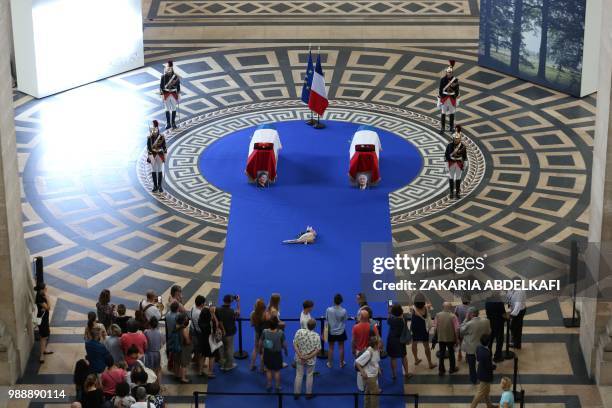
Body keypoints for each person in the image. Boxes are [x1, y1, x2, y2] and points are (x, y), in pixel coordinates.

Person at [460, 306, 491, 384]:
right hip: (483, 347)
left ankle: (474, 380)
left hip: (471, 348)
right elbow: (489, 332)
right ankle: (483, 377)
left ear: (470, 314)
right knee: (483, 364)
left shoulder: (469, 323)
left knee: (472, 366)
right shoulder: (486, 321)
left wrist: (465, 319)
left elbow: (461, 331)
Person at [293, 319, 321, 400]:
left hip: (299, 358)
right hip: (310, 360)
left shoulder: (299, 332)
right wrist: (307, 357)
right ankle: (308, 394)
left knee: (299, 375)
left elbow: (295, 344)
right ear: (314, 326)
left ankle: (296, 394)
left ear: (306, 325)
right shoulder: (316, 336)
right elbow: (318, 350)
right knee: (309, 375)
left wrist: (301, 355)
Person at [262, 317, 288, 392]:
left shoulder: (265, 331)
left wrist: (261, 349)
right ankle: (277, 386)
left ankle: (269, 385)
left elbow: (261, 342)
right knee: (277, 371)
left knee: (268, 370)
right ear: (277, 324)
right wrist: (286, 351)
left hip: (267, 353)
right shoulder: (280, 333)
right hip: (277, 354)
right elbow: (284, 344)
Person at [470, 334, 496, 408]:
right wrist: (494, 366)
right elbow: (489, 367)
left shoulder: (479, 347)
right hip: (485, 376)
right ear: (488, 342)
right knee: (480, 393)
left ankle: (489, 405)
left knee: (486, 392)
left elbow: (478, 358)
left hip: (481, 371)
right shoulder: (487, 353)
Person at [355, 336, 382, 408]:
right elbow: (357, 362)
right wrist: (362, 372)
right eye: (379, 343)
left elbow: (375, 361)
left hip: (374, 375)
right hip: (370, 377)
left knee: (368, 393)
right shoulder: (368, 352)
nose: (381, 343)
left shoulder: (377, 350)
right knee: (375, 395)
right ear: (375, 344)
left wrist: (378, 369)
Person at [410, 296, 436, 369]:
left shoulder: (413, 308)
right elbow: (430, 303)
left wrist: (411, 298)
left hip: (415, 328)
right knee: (426, 345)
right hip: (424, 328)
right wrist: (425, 297)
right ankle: (430, 363)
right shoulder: (426, 307)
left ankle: (416, 359)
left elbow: (410, 305)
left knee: (414, 343)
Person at [434, 302, 459, 376]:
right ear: (450, 308)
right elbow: (456, 329)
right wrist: (457, 339)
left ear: (443, 307)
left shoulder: (437, 315)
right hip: (450, 338)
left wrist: (437, 336)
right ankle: (452, 368)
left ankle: (441, 370)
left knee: (441, 353)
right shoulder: (453, 316)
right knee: (451, 353)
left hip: (441, 338)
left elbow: (435, 327)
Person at [216, 294, 240, 371]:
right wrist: (238, 303)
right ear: (231, 301)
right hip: (229, 333)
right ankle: (229, 365)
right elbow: (238, 315)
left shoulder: (218, 309)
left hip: (220, 333)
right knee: (229, 349)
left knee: (221, 348)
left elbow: (219, 321)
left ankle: (222, 364)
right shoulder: (231, 311)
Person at [387, 303, 410, 380]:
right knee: (403, 356)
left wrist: (389, 312)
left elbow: (388, 319)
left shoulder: (391, 320)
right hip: (400, 340)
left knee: (393, 358)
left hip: (391, 340)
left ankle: (394, 374)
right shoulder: (403, 319)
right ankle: (406, 373)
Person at [437, 59, 460, 134]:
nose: (449, 74)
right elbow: (440, 89)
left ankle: (451, 127)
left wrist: (454, 94)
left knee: (452, 113)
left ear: (452, 73)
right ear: (446, 72)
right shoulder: (443, 80)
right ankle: (442, 128)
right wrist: (442, 96)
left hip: (452, 98)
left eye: (450, 72)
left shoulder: (455, 80)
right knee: (443, 113)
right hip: (445, 98)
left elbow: (457, 90)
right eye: (448, 72)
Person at [444, 126, 467, 199]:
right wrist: (446, 165)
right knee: (451, 177)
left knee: (458, 178)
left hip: (459, 163)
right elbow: (446, 155)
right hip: (451, 163)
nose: (456, 140)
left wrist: (465, 164)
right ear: (453, 139)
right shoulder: (449, 146)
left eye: (458, 139)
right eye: (455, 139)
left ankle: (457, 192)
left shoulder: (462, 146)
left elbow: (464, 156)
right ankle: (451, 192)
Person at [325, 293, 348, 368]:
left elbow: (326, 320)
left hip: (331, 332)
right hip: (341, 332)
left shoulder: (328, 310)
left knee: (331, 348)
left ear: (334, 301)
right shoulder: (344, 311)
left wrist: (325, 333)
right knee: (341, 347)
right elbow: (345, 320)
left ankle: (329, 363)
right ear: (341, 301)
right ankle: (341, 363)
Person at [198, 303, 220, 378]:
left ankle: (200, 371)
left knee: (203, 355)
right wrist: (213, 313)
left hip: (203, 338)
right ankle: (210, 372)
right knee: (212, 356)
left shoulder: (200, 321)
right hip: (211, 338)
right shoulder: (211, 323)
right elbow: (217, 324)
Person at [486, 294, 508, 362]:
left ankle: (488, 354)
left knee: (490, 339)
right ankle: (497, 356)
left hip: (490, 322)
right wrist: (506, 319)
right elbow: (503, 313)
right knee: (499, 340)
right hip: (499, 323)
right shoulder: (499, 302)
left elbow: (487, 312)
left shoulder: (488, 300)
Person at [147, 121, 167, 193]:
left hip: (160, 154)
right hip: (153, 155)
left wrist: (165, 155)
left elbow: (164, 147)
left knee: (159, 170)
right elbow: (148, 148)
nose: (154, 132)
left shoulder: (161, 137)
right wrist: (150, 156)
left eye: (155, 129)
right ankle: (155, 186)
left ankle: (160, 186)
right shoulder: (149, 138)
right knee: (154, 170)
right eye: (153, 130)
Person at [159, 60, 181, 130]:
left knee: (174, 108)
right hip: (166, 94)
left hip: (174, 94)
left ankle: (173, 123)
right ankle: (168, 123)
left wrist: (179, 94)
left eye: (170, 68)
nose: (169, 69)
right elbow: (161, 87)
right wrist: (162, 95)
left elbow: (178, 86)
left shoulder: (175, 77)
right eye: (168, 68)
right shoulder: (163, 77)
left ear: (172, 68)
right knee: (167, 109)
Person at [35, 283, 53, 364]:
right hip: (42, 320)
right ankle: (42, 355)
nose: (46, 289)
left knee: (45, 336)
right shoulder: (40, 298)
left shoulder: (41, 295)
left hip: (44, 319)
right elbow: (49, 307)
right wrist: (47, 297)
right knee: (43, 337)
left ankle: (44, 349)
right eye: (45, 288)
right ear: (41, 290)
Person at [250, 298, 267, 372]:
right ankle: (262, 368)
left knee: (255, 350)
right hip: (264, 336)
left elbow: (252, 324)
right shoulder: (265, 314)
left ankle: (252, 365)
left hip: (257, 334)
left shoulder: (252, 314)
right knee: (263, 351)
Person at [455, 294, 471, 362]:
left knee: (460, 341)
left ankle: (459, 354)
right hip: (467, 328)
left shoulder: (458, 307)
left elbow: (455, 315)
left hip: (460, 327)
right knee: (467, 342)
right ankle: (467, 356)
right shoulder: (470, 309)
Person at [177, 313, 192, 383]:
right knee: (184, 364)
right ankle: (183, 378)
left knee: (180, 362)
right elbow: (187, 341)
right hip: (184, 348)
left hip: (179, 346)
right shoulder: (184, 329)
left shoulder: (177, 327)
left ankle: (179, 374)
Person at [164, 301, 180, 372]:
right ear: (177, 309)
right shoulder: (177, 316)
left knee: (171, 350)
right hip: (176, 335)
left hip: (169, 333)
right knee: (175, 352)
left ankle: (170, 365)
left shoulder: (167, 315)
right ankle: (173, 366)